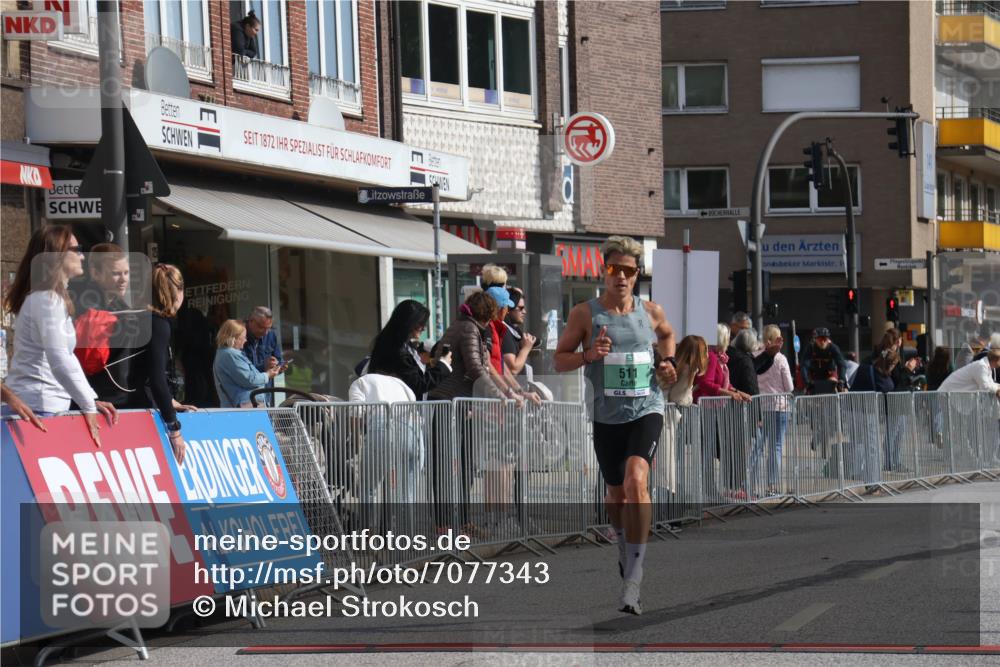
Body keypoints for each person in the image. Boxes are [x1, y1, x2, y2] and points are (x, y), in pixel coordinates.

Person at [554, 235, 677, 616]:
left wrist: (667, 362)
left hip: (647, 407)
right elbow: (559, 360)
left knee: (636, 480)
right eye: (614, 269)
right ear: (604, 271)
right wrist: (589, 354)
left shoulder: (651, 311)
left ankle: (633, 581)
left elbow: (668, 336)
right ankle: (623, 543)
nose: (621, 277)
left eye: (628, 270)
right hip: (607, 415)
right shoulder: (584, 314)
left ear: (637, 274)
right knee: (616, 495)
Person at [2, 226, 118, 447]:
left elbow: (67, 357)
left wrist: (89, 399)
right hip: (38, 405)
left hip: (43, 403)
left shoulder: (49, 297)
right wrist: (87, 404)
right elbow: (59, 360)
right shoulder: (47, 299)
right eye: (77, 249)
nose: (83, 256)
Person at [429, 292, 511, 537]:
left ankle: (461, 521)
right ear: (486, 314)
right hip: (449, 401)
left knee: (465, 464)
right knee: (447, 465)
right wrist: (500, 396)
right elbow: (476, 368)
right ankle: (446, 525)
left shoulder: (467, 327)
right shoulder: (468, 330)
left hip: (456, 402)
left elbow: (481, 366)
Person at [128, 264, 195, 463]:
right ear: (179, 292)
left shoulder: (138, 317)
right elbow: (155, 378)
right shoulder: (158, 324)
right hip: (139, 409)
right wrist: (174, 429)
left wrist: (171, 401)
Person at [72, 244, 141, 408]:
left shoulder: (121, 306)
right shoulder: (84, 308)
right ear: (96, 273)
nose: (124, 279)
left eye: (126, 273)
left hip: (122, 397)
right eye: (116, 274)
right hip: (98, 400)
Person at [366, 300, 450, 400]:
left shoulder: (396, 344)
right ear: (409, 323)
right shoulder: (397, 350)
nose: (423, 328)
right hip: (398, 408)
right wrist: (443, 365)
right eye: (421, 324)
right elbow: (418, 383)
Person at [751, 325, 794, 497]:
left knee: (757, 446)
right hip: (780, 406)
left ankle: (749, 484)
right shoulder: (781, 359)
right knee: (775, 446)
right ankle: (772, 486)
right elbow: (789, 387)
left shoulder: (755, 356)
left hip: (761, 406)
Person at [214, 319, 281, 408]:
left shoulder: (227, 353)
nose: (245, 340)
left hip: (246, 407)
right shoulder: (231, 354)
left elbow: (245, 375)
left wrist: (265, 368)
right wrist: (268, 375)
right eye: (244, 337)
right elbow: (250, 380)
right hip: (244, 410)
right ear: (234, 338)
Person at [725, 328, 759, 499]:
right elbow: (752, 388)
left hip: (727, 408)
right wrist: (758, 415)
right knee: (740, 451)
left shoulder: (729, 356)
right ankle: (736, 487)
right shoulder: (745, 361)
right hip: (743, 410)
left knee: (731, 450)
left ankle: (729, 486)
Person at [243, 306, 285, 407]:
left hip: (265, 395)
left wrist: (279, 367)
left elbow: (278, 360)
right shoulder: (240, 337)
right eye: (261, 327)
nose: (265, 332)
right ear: (251, 321)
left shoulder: (270, 335)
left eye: (268, 328)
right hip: (246, 397)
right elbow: (242, 373)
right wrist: (264, 367)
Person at [501, 287, 537, 380]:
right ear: (508, 309)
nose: (524, 312)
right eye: (520, 308)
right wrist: (526, 348)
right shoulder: (505, 331)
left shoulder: (513, 330)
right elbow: (513, 369)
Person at [800, 327, 848, 394]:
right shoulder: (810, 348)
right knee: (807, 392)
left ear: (828, 339)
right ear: (815, 339)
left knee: (842, 390)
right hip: (815, 375)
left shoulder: (833, 348)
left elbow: (842, 364)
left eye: (824, 339)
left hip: (830, 374)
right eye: (820, 339)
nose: (822, 342)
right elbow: (804, 366)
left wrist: (841, 380)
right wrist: (806, 381)